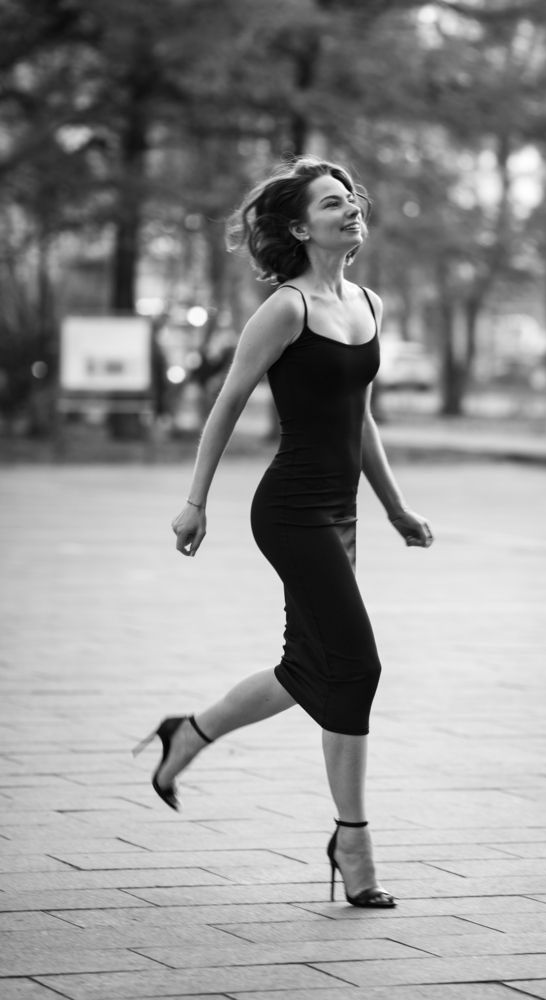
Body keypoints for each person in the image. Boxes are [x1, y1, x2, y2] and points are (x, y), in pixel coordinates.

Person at [134, 155, 433, 908]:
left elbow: (359, 417)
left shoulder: (367, 303)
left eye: (351, 198)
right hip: (291, 510)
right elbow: (229, 401)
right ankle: (353, 841)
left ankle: (188, 733)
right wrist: (195, 501)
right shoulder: (286, 310)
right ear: (300, 229)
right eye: (332, 203)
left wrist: (395, 508)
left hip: (342, 513)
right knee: (355, 667)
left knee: (310, 667)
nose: (351, 208)